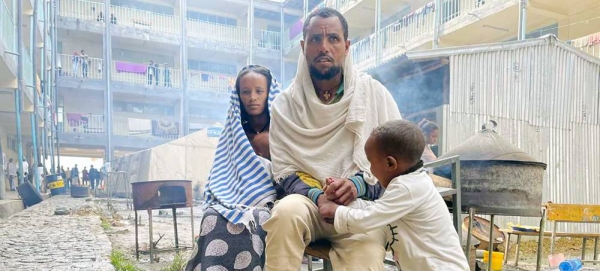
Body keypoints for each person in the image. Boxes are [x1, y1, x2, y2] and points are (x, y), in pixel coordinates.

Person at [264, 7, 402, 270]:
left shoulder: (374, 94)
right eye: (315, 39)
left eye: (333, 39)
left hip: (361, 207)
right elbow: (284, 171)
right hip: (308, 203)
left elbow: (396, 165)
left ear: (347, 46)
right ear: (304, 47)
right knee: (284, 214)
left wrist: (356, 186)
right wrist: (318, 196)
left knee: (368, 250)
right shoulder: (285, 105)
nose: (323, 47)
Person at [319, 120, 469, 270]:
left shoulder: (408, 187)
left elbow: (369, 218)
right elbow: (380, 208)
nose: (370, 170)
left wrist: (336, 212)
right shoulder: (411, 182)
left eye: (371, 162)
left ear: (390, 163)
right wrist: (347, 203)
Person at [185, 65, 282, 271]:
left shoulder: (283, 129)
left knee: (256, 220)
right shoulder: (232, 133)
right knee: (212, 216)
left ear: (269, 94)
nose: (252, 97)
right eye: (245, 92)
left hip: (272, 201)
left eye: (259, 91)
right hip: (233, 200)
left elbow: (290, 173)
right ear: (238, 95)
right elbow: (221, 173)